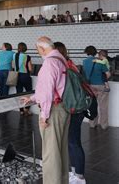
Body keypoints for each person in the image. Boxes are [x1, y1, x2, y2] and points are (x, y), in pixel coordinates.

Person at [21, 37, 70, 184]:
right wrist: (33, 98)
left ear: (42, 49)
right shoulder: (61, 59)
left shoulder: (49, 62)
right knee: (61, 150)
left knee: (50, 152)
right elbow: (54, 88)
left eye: (37, 50)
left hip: (53, 111)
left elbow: (48, 92)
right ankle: (62, 181)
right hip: (63, 108)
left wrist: (44, 116)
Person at [54, 42, 86, 183]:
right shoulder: (70, 64)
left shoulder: (62, 67)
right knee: (73, 142)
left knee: (73, 142)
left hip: (72, 108)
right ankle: (75, 172)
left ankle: (79, 176)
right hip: (78, 107)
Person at [83, 46, 111, 129]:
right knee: (103, 106)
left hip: (90, 86)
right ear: (95, 53)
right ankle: (104, 125)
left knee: (92, 105)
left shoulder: (84, 62)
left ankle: (92, 124)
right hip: (101, 85)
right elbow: (108, 74)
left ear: (86, 52)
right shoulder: (100, 61)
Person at [13, 42, 33, 115]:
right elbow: (30, 69)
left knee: (19, 93)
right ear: (25, 48)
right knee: (29, 93)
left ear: (18, 48)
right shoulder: (27, 56)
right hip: (25, 76)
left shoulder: (14, 55)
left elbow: (13, 65)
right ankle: (27, 109)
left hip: (17, 76)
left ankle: (21, 110)